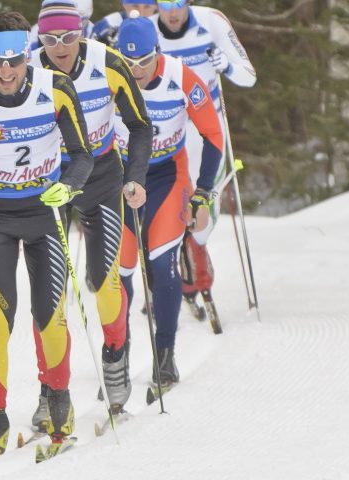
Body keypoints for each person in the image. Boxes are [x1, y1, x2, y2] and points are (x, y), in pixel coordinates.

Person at [0, 10, 95, 457]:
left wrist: (69, 186)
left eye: (15, 61)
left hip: (45, 214)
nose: (6, 72)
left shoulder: (57, 90)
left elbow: (83, 155)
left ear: (28, 56)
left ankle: (59, 400)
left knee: (50, 313)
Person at [29, 0, 153, 417]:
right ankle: (51, 390)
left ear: (82, 31)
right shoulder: (26, 69)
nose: (59, 47)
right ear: (39, 37)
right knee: (49, 293)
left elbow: (139, 125)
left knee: (104, 282)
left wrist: (135, 175)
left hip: (100, 177)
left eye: (68, 36)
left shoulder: (109, 63)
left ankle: (115, 357)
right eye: (50, 38)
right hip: (49, 183)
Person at [113, 14, 223, 390]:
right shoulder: (109, 77)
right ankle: (119, 358)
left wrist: (204, 192)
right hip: (121, 178)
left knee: (161, 262)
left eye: (144, 61)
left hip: (166, 176)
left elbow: (213, 136)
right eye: (129, 64)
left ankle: (165, 355)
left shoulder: (181, 76)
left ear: (157, 52)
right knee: (121, 274)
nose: (137, 70)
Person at [150, 0, 256, 316]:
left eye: (178, 3)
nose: (171, 12)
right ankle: (180, 259)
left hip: (206, 128)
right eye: (164, 3)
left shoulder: (211, 22)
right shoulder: (148, 29)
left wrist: (226, 66)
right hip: (168, 130)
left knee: (205, 200)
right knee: (171, 198)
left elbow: (249, 77)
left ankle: (197, 247)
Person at [91, 1, 158, 48]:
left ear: (156, 7)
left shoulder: (164, 28)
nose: (140, 13)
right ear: (124, 4)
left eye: (147, 7)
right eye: (135, 6)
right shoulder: (105, 26)